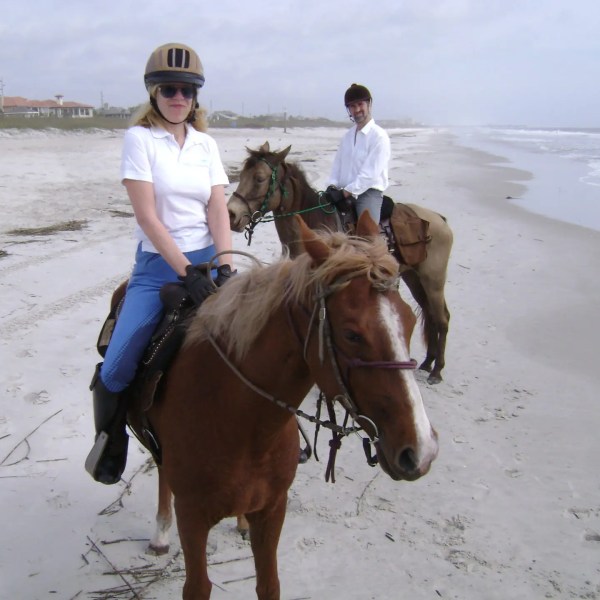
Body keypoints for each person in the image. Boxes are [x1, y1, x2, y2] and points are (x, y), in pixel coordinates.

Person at [85, 42, 234, 485]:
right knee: (116, 366)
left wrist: (223, 266)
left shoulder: (206, 144)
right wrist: (184, 270)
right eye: (169, 89)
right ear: (153, 93)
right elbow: (148, 216)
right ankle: (111, 442)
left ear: (196, 97)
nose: (178, 98)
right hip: (158, 267)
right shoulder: (140, 140)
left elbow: (218, 209)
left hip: (209, 262)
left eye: (187, 91)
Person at [327, 83, 391, 224]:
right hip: (342, 193)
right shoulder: (347, 137)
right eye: (352, 106)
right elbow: (337, 165)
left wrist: (345, 192)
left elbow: (369, 174)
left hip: (367, 194)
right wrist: (332, 185)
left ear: (369, 104)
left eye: (360, 104)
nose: (357, 110)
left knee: (367, 238)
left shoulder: (379, 136)